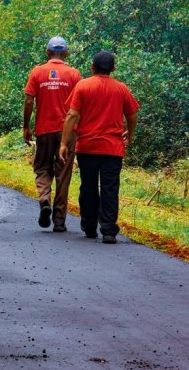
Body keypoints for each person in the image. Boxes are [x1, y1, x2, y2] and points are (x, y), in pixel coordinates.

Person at [59, 50, 139, 244]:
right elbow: (133, 114)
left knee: (88, 186)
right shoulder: (121, 89)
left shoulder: (83, 86)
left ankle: (89, 226)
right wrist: (130, 132)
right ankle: (109, 230)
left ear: (92, 67)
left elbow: (71, 115)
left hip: (87, 146)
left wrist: (63, 143)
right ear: (113, 68)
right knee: (110, 187)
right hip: (113, 148)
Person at [23, 36, 81, 232]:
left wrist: (26, 126)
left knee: (42, 168)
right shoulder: (74, 74)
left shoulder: (37, 72)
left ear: (47, 53)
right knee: (63, 175)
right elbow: (79, 106)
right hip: (67, 132)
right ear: (65, 54)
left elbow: (29, 101)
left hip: (44, 130)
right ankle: (59, 221)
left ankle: (44, 198)